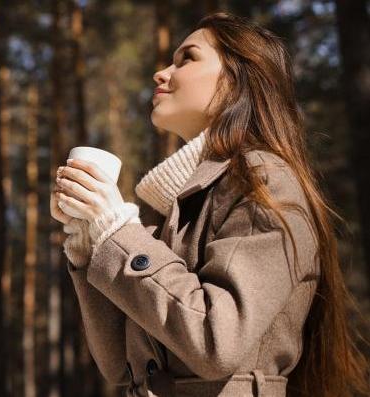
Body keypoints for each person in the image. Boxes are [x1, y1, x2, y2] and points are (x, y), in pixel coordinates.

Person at [50, 12, 370, 397]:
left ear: (237, 80)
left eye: (187, 58)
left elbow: (216, 341)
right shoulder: (171, 207)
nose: (162, 73)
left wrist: (117, 232)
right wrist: (91, 242)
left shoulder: (263, 180)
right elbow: (119, 366)